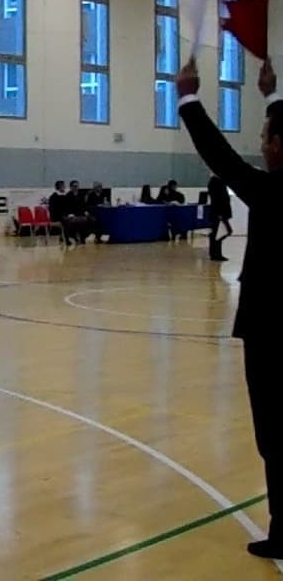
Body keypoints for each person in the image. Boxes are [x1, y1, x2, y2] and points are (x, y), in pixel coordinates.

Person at [176, 57, 282, 561]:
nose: (261, 143)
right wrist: (270, 97)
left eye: (266, 135)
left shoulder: (273, 191)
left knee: (277, 437)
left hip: (273, 333)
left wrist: (188, 100)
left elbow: (223, 159)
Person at [207, 175, 233, 262]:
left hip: (220, 213)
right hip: (218, 213)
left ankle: (216, 254)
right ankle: (215, 254)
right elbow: (216, 199)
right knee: (221, 232)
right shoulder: (215, 183)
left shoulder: (219, 182)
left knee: (219, 233)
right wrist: (219, 213)